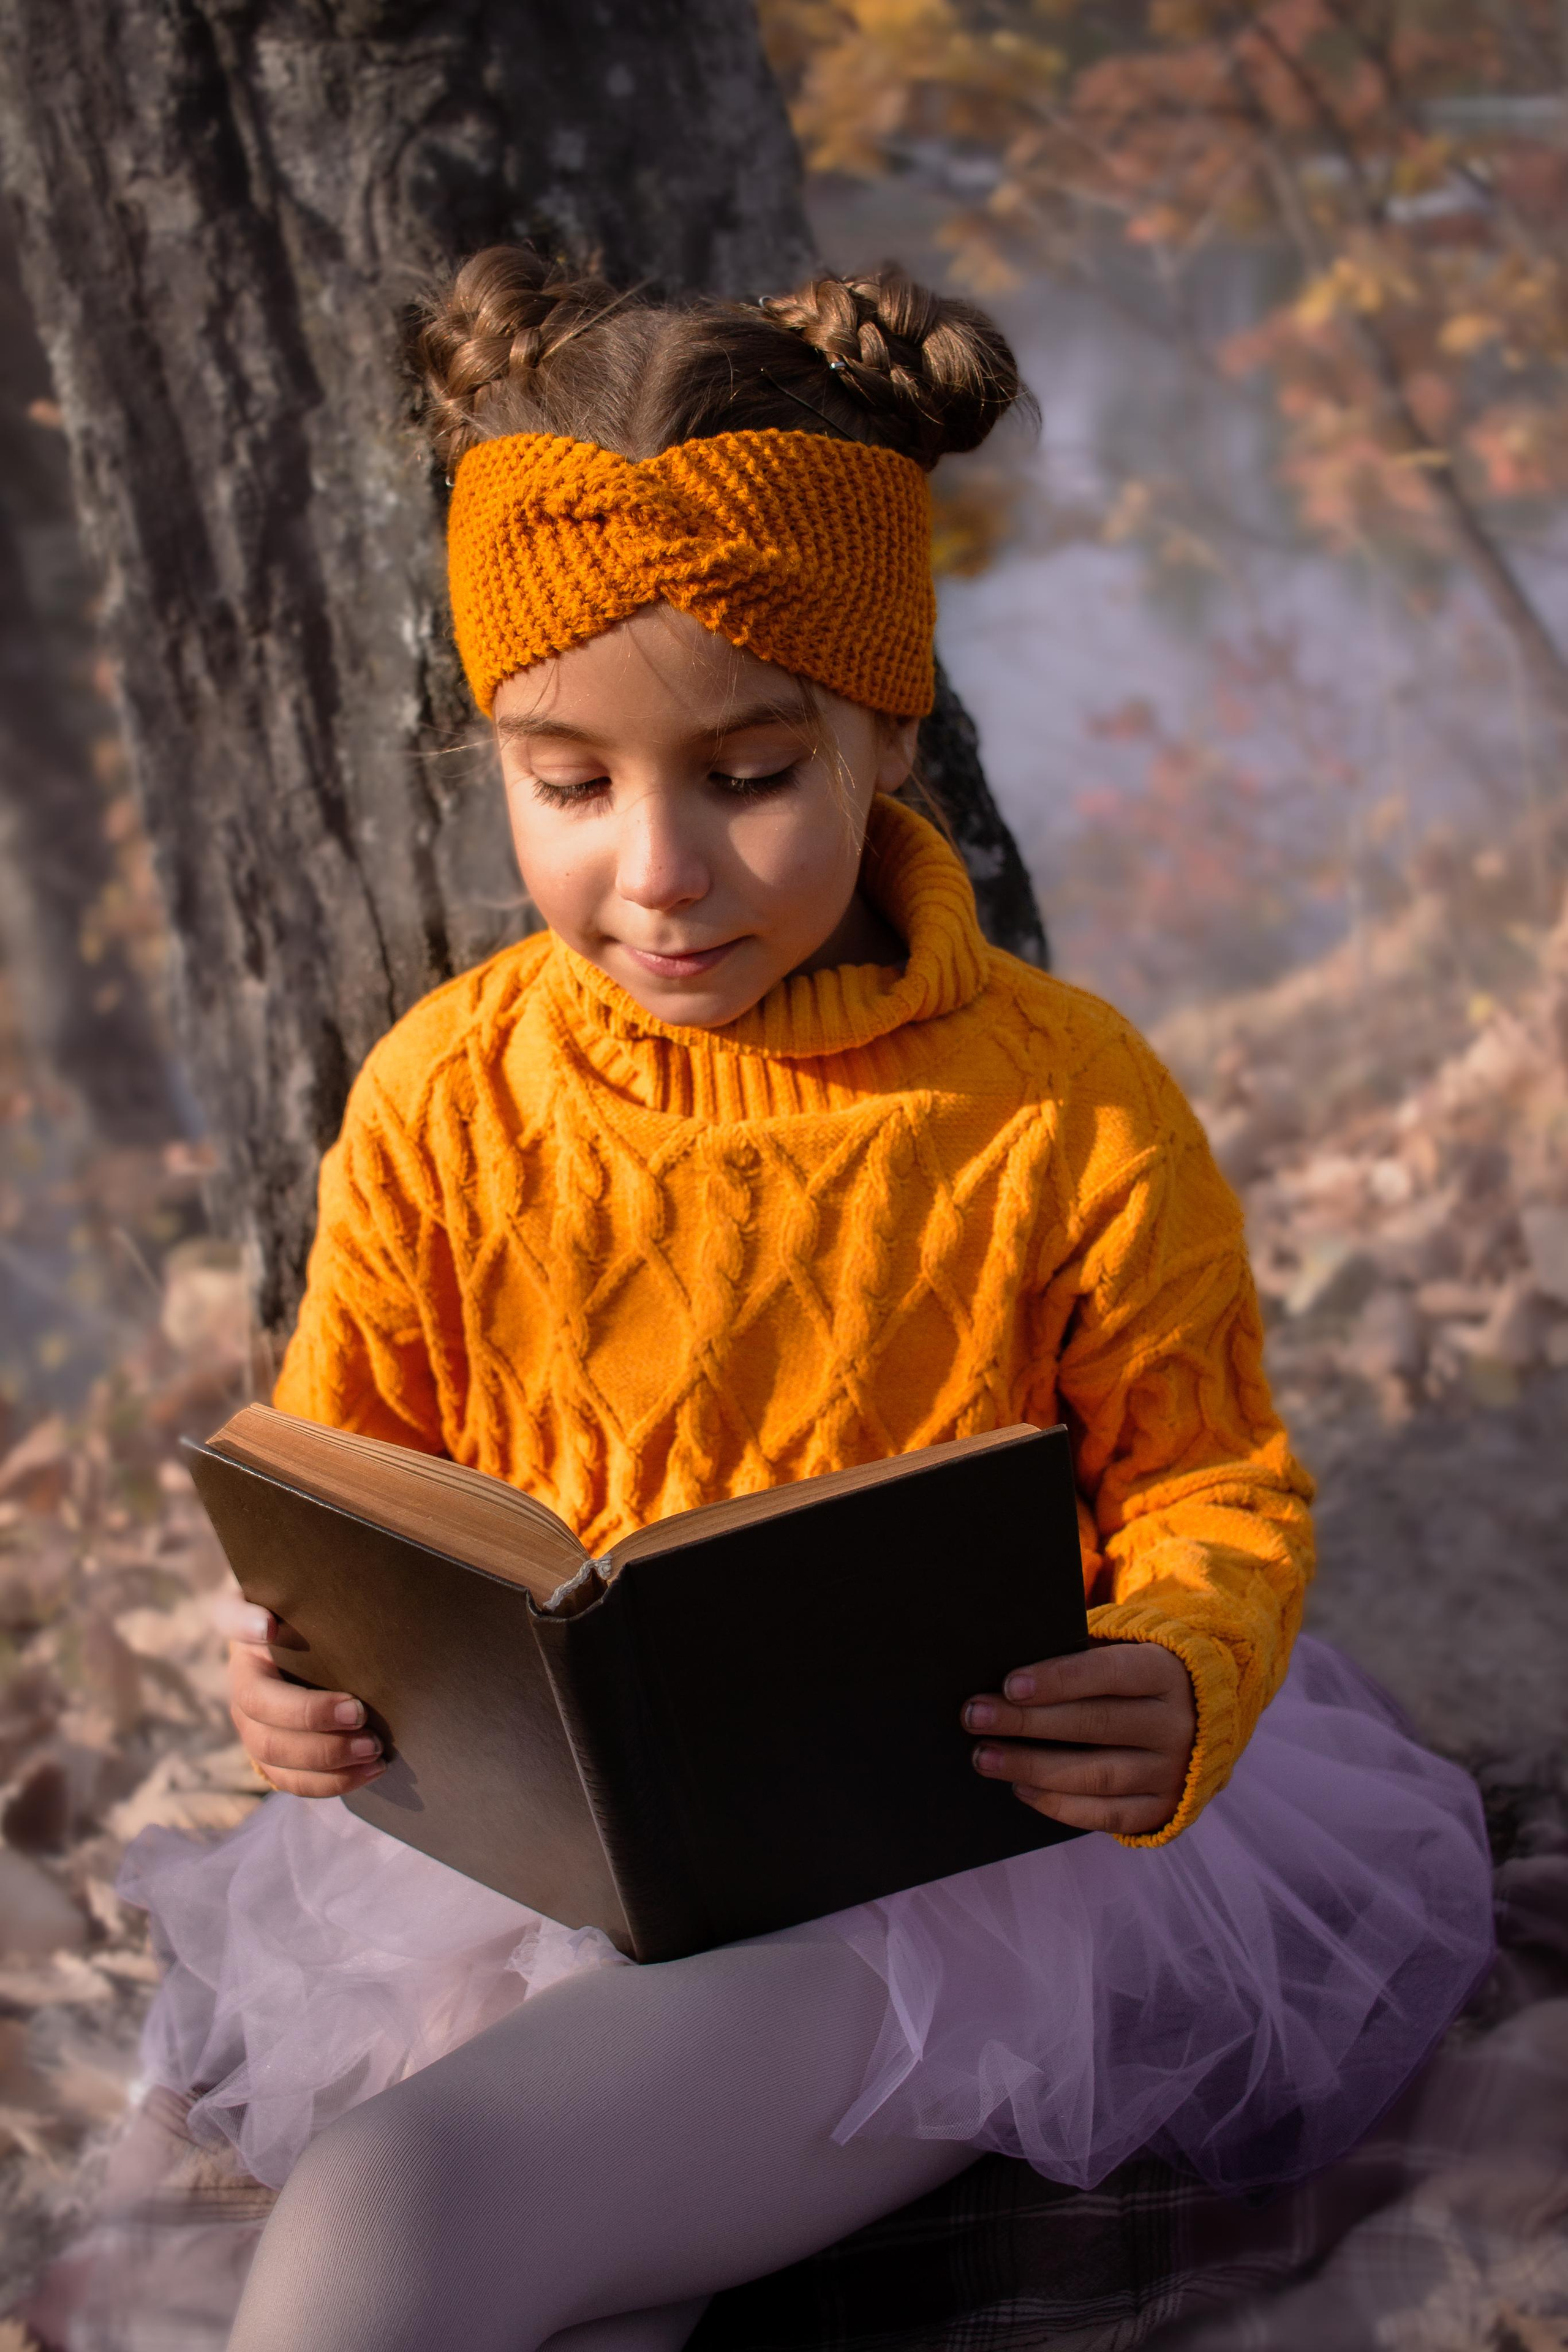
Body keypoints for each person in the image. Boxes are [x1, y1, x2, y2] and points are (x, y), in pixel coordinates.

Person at [119, 252, 1493, 2352]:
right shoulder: (441, 1093)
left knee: (397, 2225)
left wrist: (1185, 1672)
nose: (654, 870)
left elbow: (1208, 1486)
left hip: (951, 1889)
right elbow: (351, 1491)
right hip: (527, 1868)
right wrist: (294, 1679)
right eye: (565, 784)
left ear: (883, 732)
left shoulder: (1058, 1104)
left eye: (747, 777)